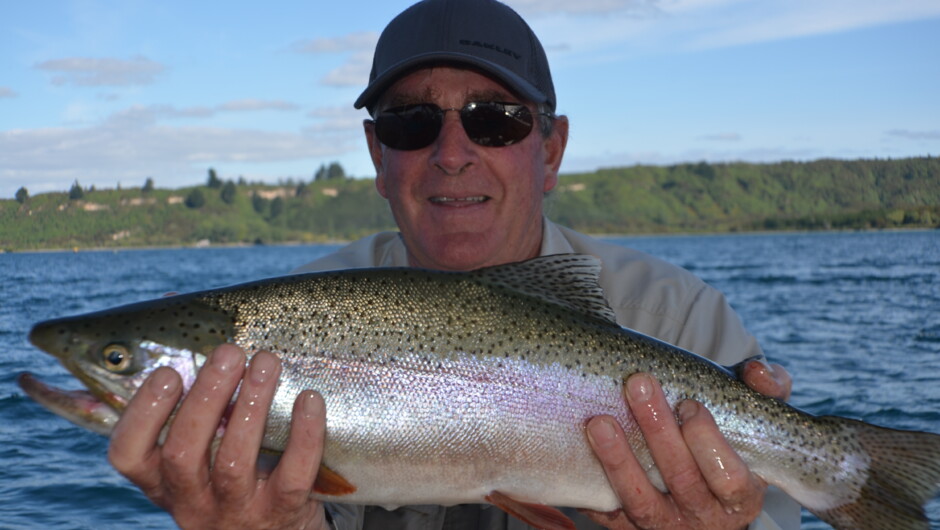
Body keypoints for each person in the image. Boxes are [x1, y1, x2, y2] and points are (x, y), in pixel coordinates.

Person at [107, 0, 801, 529]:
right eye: (411, 122)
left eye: (494, 119)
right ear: (379, 158)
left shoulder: (683, 320)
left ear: (552, 150)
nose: (451, 151)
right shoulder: (300, 319)